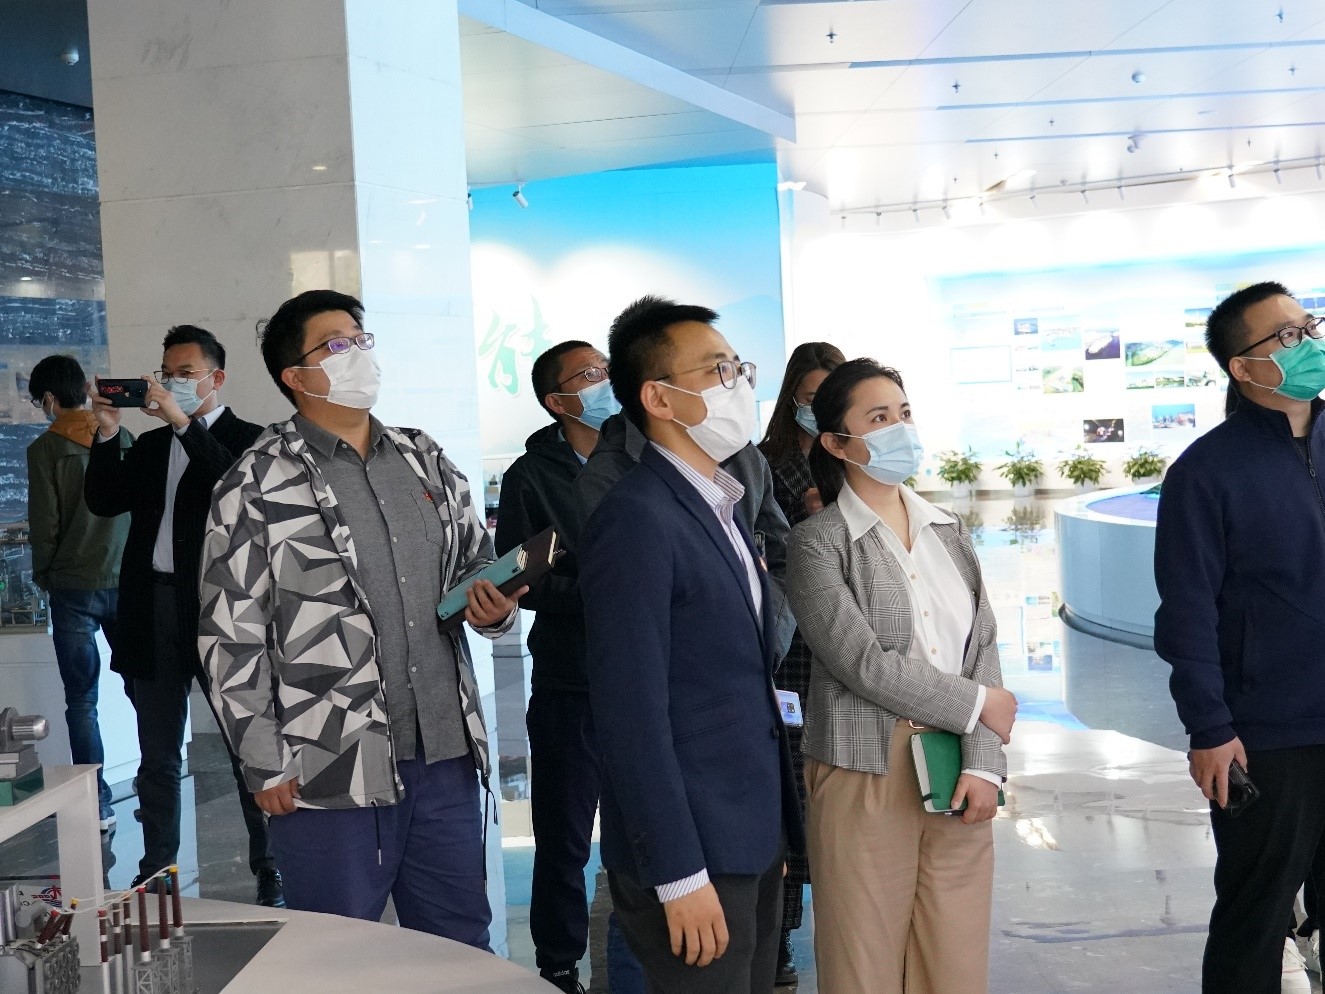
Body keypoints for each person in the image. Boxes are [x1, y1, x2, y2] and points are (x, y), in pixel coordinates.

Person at [198, 290, 522, 947]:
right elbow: (229, 635)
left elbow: (474, 564)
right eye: (337, 344)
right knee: (338, 954)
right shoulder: (255, 483)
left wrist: (495, 609)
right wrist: (263, 762)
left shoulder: (423, 457)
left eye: (361, 338)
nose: (359, 353)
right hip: (328, 763)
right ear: (296, 375)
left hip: (443, 752)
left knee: (459, 948)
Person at [579, 295, 805, 994]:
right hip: (694, 849)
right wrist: (677, 873)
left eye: (738, 366)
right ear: (658, 398)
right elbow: (629, 713)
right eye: (716, 370)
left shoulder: (721, 504)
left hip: (747, 834)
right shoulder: (637, 518)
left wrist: (774, 832)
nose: (738, 383)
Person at [785, 358, 1017, 994]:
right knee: (863, 964)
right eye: (879, 418)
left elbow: (982, 644)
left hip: (956, 764)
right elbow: (860, 662)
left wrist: (984, 762)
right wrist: (977, 705)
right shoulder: (818, 542)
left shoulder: (949, 530)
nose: (899, 429)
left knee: (955, 960)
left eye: (904, 413)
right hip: (865, 766)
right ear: (837, 443)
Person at [1156, 281, 1325, 994]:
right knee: (1255, 916)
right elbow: (1186, 611)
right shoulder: (1205, 472)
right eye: (1286, 336)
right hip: (1267, 736)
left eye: (1308, 326)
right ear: (1243, 366)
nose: (1307, 343)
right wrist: (1209, 728)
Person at [83, 325, 282, 906]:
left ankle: (270, 864)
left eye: (186, 374)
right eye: (166, 373)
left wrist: (181, 422)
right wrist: (107, 433)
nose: (173, 383)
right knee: (158, 753)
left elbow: (234, 487)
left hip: (224, 613)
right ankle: (157, 867)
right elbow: (104, 500)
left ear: (217, 378)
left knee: (247, 749)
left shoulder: (251, 439)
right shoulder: (149, 446)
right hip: (153, 606)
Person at [495, 339, 619, 992]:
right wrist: (605, 592)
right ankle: (558, 963)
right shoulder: (531, 475)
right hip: (570, 677)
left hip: (644, 676)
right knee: (564, 836)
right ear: (557, 400)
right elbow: (522, 580)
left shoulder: (643, 457)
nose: (605, 381)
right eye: (589, 374)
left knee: (645, 829)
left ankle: (638, 953)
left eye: (606, 368)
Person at [755, 340, 844, 986]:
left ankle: (845, 927)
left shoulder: (854, 462)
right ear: (792, 399)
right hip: (789, 651)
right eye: (810, 398)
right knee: (788, 793)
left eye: (829, 397)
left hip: (847, 646)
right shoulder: (766, 465)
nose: (819, 408)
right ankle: (780, 937)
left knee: (840, 795)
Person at [25, 354, 131, 832]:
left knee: (82, 701)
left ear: (50, 398)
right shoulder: (121, 437)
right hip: (126, 582)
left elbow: (44, 522)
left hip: (72, 588)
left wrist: (45, 573)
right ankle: (155, 791)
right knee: (146, 693)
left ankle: (98, 804)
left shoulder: (45, 449)